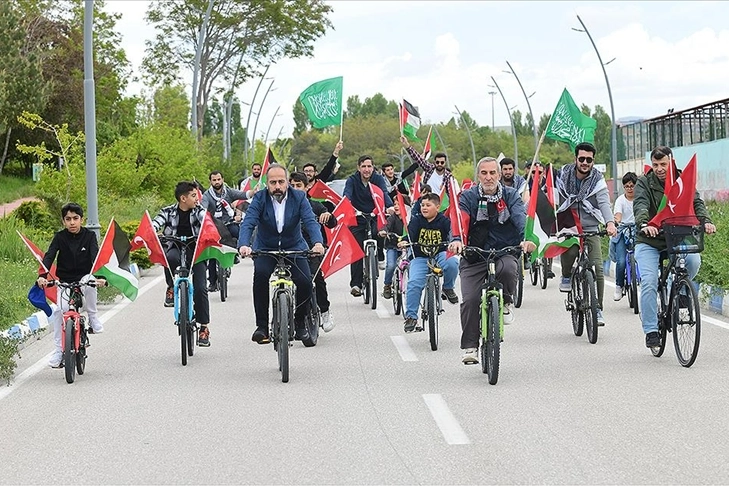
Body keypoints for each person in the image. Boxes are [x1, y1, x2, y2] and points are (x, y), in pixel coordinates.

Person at [450, 157, 535, 364]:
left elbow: (520, 218)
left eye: (493, 173)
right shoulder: (467, 197)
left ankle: (505, 302)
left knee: (508, 270)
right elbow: (459, 221)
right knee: (470, 299)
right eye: (484, 173)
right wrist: (457, 241)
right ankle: (470, 346)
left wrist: (527, 240)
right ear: (478, 175)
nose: (489, 177)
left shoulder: (511, 195)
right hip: (474, 254)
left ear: (499, 175)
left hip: (504, 250)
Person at [634, 146, 715, 350]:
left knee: (694, 261)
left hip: (677, 236)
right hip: (650, 239)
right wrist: (646, 224)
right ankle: (651, 330)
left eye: (663, 164)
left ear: (672, 162)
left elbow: (696, 202)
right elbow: (641, 205)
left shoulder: (682, 179)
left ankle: (680, 291)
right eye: (655, 164)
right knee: (650, 281)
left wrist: (705, 221)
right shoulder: (644, 182)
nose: (659, 168)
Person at [238, 164, 325, 345]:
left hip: (294, 246)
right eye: (273, 182)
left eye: (281, 182)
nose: (277, 186)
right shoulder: (260, 198)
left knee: (305, 282)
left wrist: (317, 243)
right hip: (266, 248)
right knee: (260, 277)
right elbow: (249, 223)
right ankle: (262, 326)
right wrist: (245, 245)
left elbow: (310, 221)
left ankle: (300, 321)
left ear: (287, 182)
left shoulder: (299, 197)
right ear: (266, 184)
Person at [37, 203, 107, 368]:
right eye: (68, 219)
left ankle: (92, 317)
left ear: (81, 219)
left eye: (75, 218)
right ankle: (59, 350)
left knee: (90, 282)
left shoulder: (89, 236)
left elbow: (95, 257)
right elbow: (49, 256)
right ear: (63, 221)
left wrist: (100, 277)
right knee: (59, 311)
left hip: (84, 278)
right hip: (65, 281)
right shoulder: (59, 237)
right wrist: (42, 276)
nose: (72, 222)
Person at [555, 142, 617, 326]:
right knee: (571, 251)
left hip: (591, 228)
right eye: (581, 159)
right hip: (569, 226)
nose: (585, 162)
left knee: (597, 268)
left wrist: (610, 223)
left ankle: (597, 308)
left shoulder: (598, 180)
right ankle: (566, 275)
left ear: (593, 161)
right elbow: (553, 197)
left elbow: (604, 202)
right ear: (575, 159)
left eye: (589, 160)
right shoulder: (563, 175)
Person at [152, 181, 212, 346]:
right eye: (193, 195)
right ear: (183, 198)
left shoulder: (199, 211)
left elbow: (207, 223)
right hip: (175, 246)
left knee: (200, 289)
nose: (196, 198)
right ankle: (171, 287)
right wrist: (152, 230)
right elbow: (156, 223)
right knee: (169, 257)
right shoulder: (168, 212)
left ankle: (204, 327)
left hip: (196, 251)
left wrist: (210, 231)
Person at [399, 192, 459, 333]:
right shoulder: (416, 220)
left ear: (437, 207)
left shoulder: (444, 221)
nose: (424, 208)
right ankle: (411, 317)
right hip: (420, 256)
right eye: (422, 205)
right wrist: (405, 242)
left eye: (428, 205)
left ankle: (448, 287)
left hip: (440, 253)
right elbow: (410, 235)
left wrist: (454, 243)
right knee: (414, 283)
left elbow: (452, 236)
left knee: (452, 264)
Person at [289, 171, 337, 332]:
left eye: (299, 186)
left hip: (311, 251)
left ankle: (324, 311)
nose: (295, 189)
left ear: (307, 187)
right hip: (289, 251)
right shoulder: (283, 206)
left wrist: (327, 215)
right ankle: (281, 314)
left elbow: (332, 223)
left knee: (316, 279)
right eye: (292, 185)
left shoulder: (315, 205)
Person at [343, 154, 394, 297]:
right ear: (358, 168)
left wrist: (389, 207)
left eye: (369, 166)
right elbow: (347, 195)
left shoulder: (378, 179)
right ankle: (356, 284)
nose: (366, 169)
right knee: (357, 250)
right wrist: (347, 206)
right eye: (363, 166)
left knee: (380, 232)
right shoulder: (352, 180)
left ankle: (379, 256)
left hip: (374, 215)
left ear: (373, 168)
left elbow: (384, 193)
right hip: (357, 217)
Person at [201, 171, 246, 292]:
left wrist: (253, 192)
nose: (217, 182)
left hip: (227, 223)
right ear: (210, 181)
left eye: (218, 179)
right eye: (214, 180)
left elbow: (243, 195)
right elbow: (203, 208)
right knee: (212, 254)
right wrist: (202, 215)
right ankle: (212, 283)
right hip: (213, 226)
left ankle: (235, 254)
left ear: (222, 179)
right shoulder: (207, 195)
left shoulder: (229, 191)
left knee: (237, 232)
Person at [610, 172, 637, 301]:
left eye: (632, 186)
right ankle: (619, 286)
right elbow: (618, 215)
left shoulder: (640, 199)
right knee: (621, 262)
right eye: (627, 186)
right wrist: (616, 222)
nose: (630, 189)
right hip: (622, 230)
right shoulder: (620, 200)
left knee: (641, 257)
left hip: (637, 230)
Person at [379, 200, 406, 300]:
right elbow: (386, 226)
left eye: (399, 204)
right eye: (395, 204)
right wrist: (383, 231)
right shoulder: (392, 218)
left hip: (406, 247)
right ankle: (387, 285)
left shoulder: (409, 219)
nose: (396, 206)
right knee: (391, 265)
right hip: (393, 246)